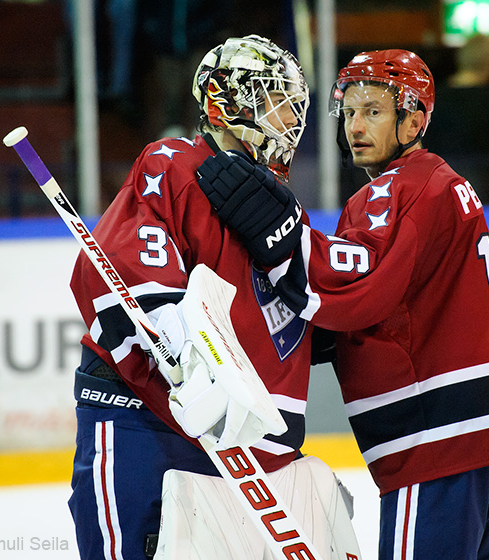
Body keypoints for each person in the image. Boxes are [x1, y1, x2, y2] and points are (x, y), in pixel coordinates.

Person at [198, 49, 489, 560]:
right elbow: (387, 305)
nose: (356, 126)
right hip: (487, 427)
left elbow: (357, 283)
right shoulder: (443, 183)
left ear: (413, 120)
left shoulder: (400, 188)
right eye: (349, 112)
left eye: (374, 111)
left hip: (437, 432)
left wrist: (279, 230)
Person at [67, 35, 351, 559]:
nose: (287, 116)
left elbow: (303, 319)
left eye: (291, 103)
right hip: (146, 420)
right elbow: (120, 272)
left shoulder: (281, 209)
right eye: (270, 99)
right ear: (223, 104)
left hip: (237, 453)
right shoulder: (173, 164)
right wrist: (176, 339)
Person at [424, 34, 489, 204]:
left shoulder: (434, 101)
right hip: (482, 198)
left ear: (460, 59)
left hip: (440, 196)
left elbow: (418, 152)